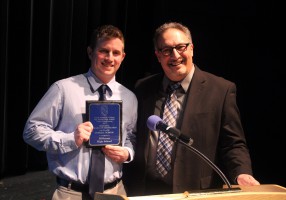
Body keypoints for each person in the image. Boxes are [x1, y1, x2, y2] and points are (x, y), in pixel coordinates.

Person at [123, 22, 260, 196]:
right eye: (166, 50)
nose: (175, 55)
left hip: (194, 191)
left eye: (181, 47)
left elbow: (233, 143)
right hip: (146, 190)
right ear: (158, 55)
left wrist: (242, 172)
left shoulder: (220, 90)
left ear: (192, 49)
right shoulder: (143, 88)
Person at [23, 25, 137, 200]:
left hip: (114, 192)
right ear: (90, 52)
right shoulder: (63, 89)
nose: (110, 58)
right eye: (104, 51)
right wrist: (70, 139)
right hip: (70, 193)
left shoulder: (129, 97)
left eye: (116, 53)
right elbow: (32, 131)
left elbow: (131, 137)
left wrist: (128, 153)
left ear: (123, 56)